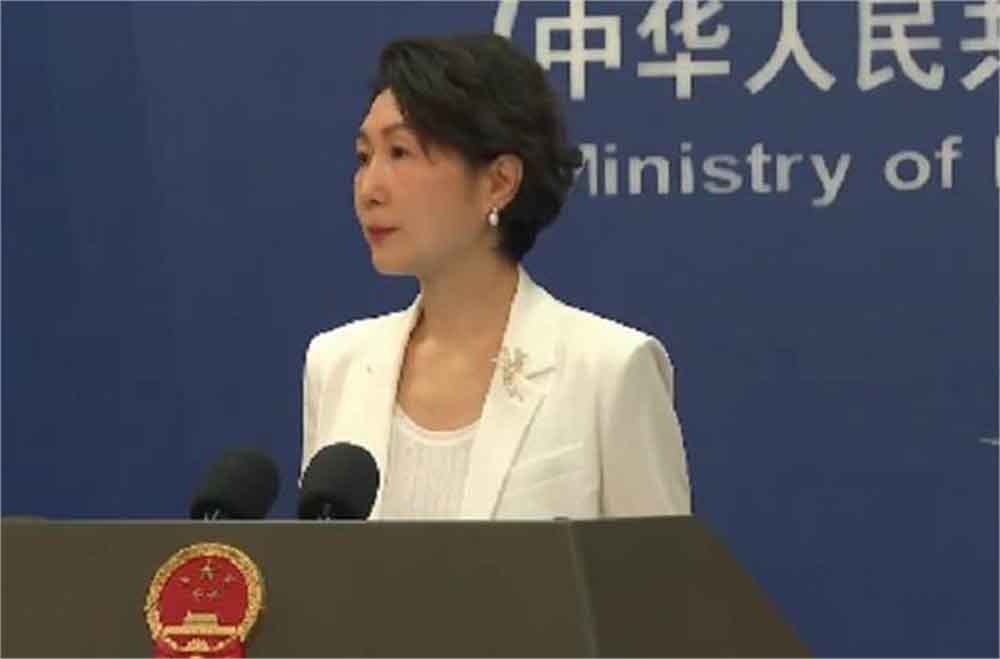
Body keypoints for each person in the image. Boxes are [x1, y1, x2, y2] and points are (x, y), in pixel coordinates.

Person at [301, 34, 691, 520]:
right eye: (364, 158)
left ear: (499, 182)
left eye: (400, 153)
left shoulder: (609, 370)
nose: (370, 189)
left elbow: (657, 568)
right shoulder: (337, 364)